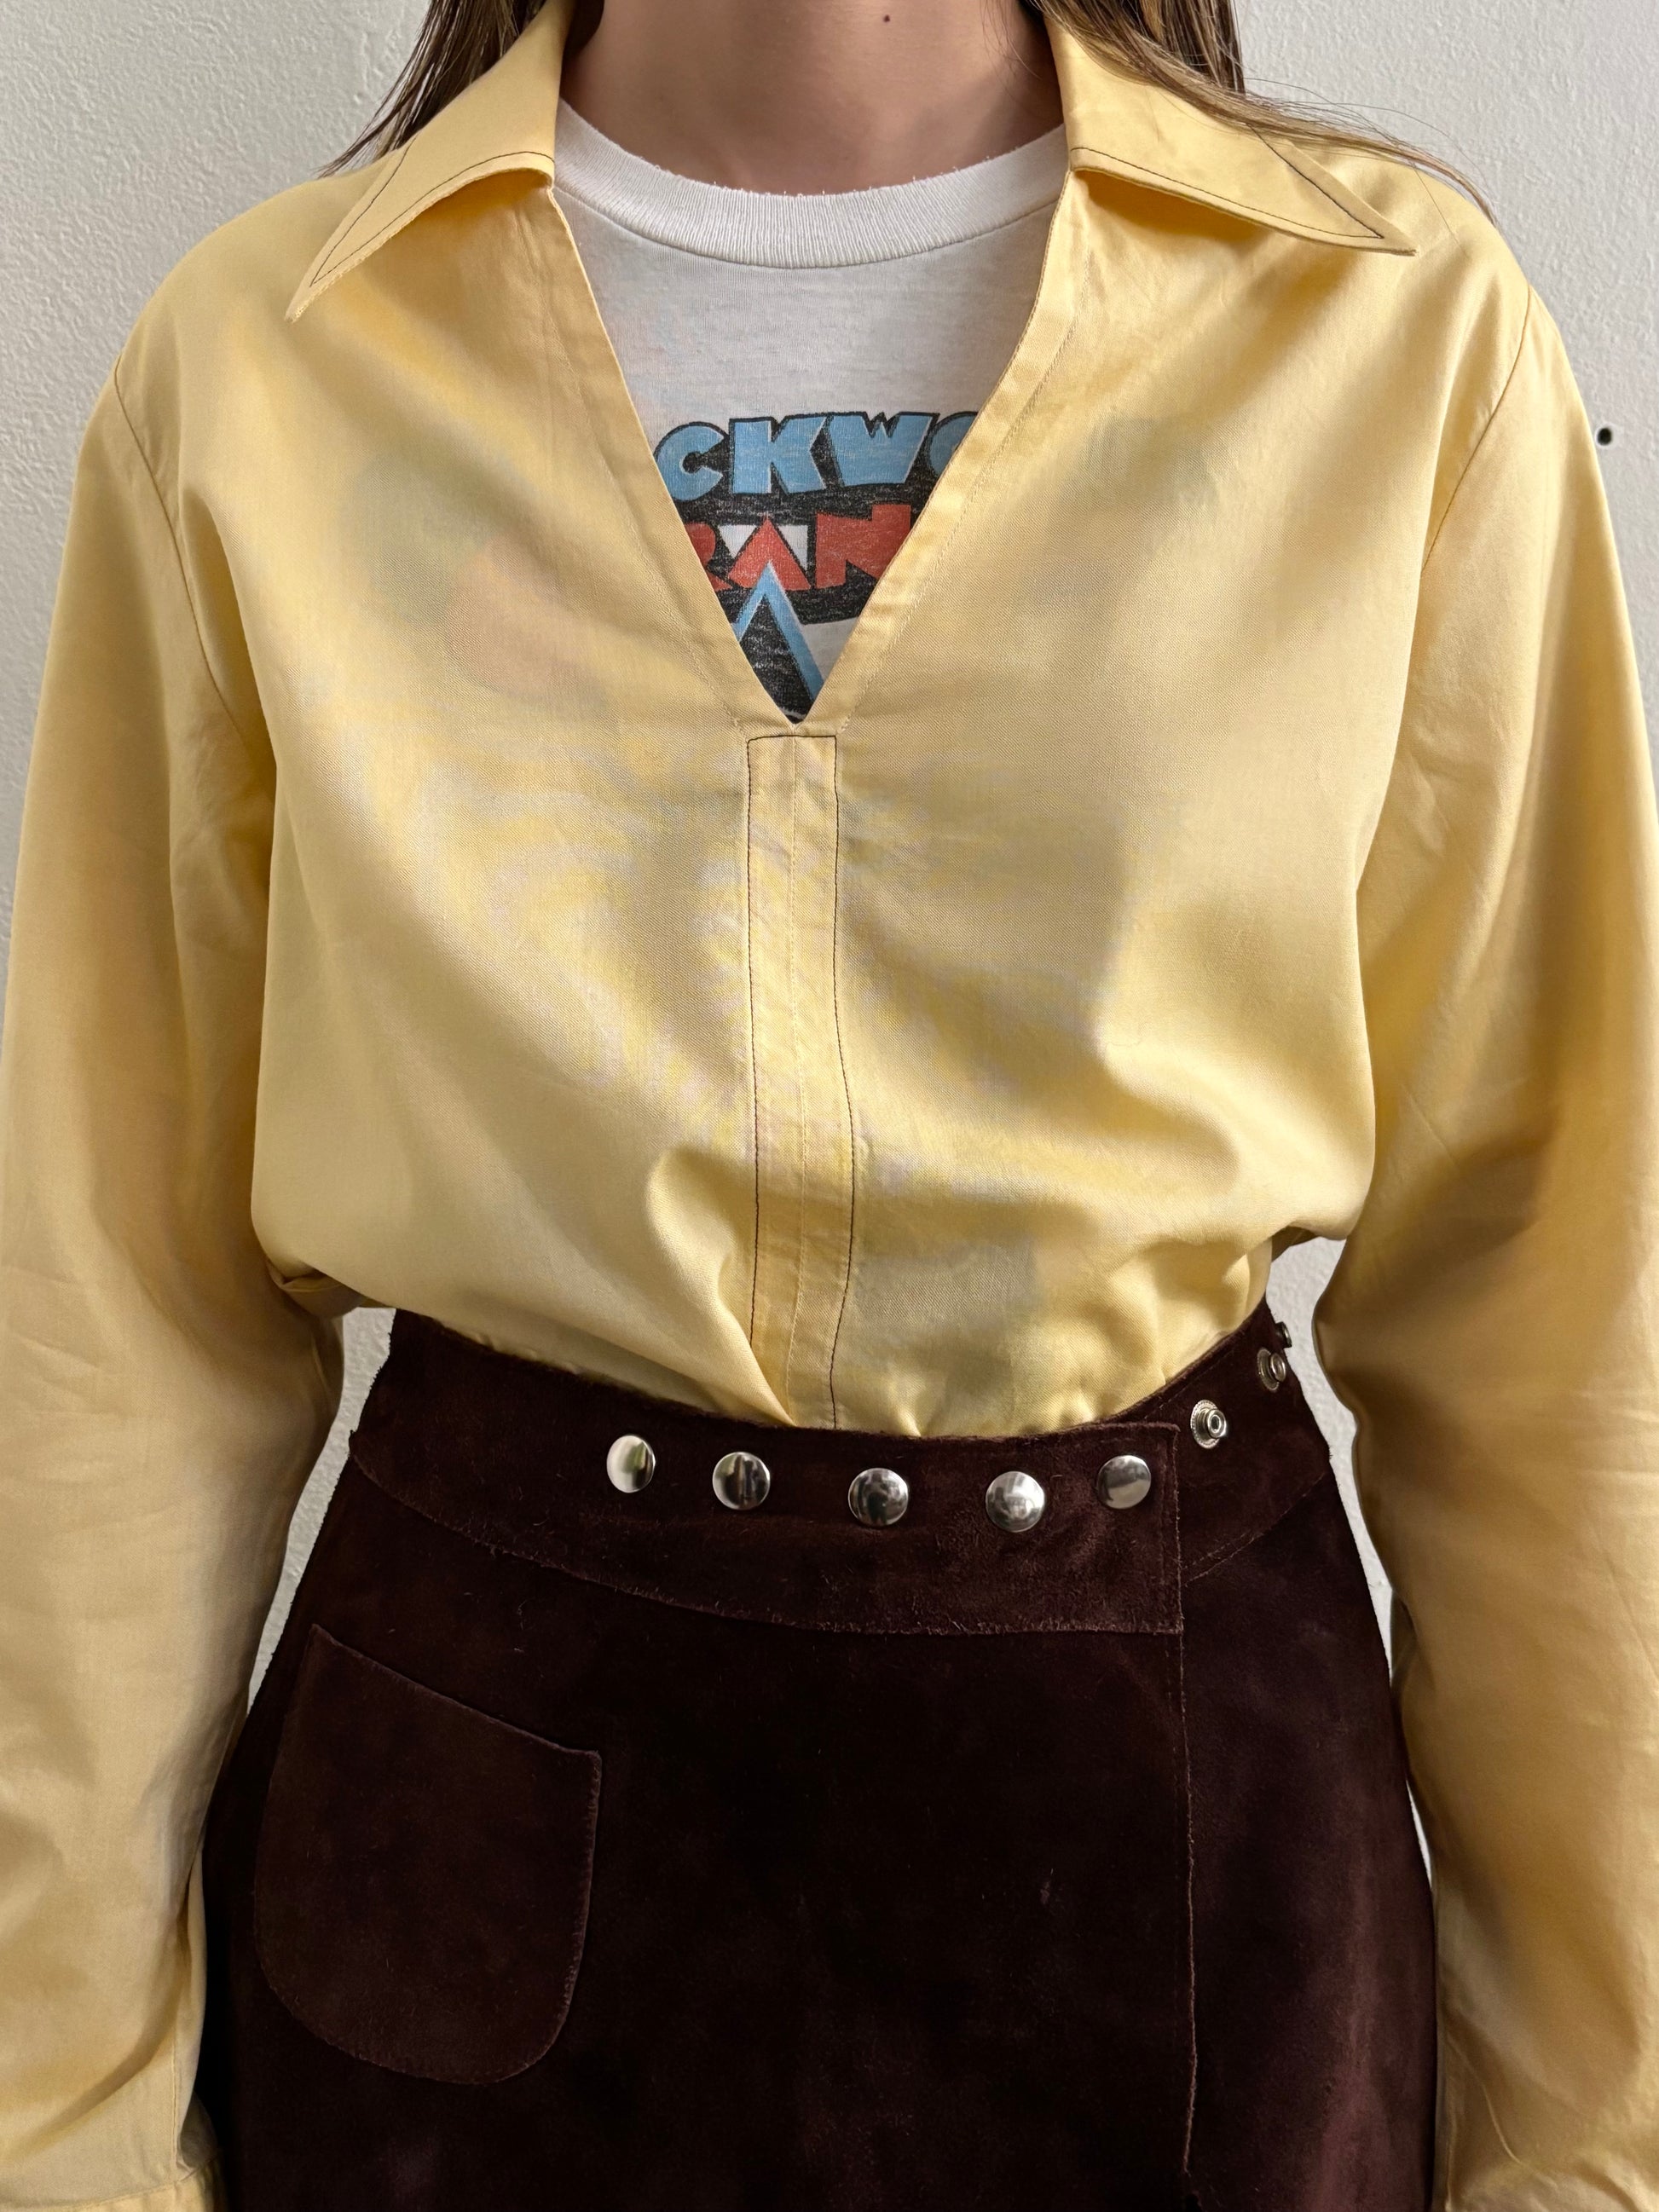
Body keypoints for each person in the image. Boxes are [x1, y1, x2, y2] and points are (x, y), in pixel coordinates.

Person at [2, 0, 1655, 2203]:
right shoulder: (265, 364)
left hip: (1192, 1891)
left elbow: (1555, 1317)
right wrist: (56, 2129)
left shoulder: (1389, 334)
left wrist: (1590, 2145)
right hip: (461, 1865)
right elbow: (113, 1325)